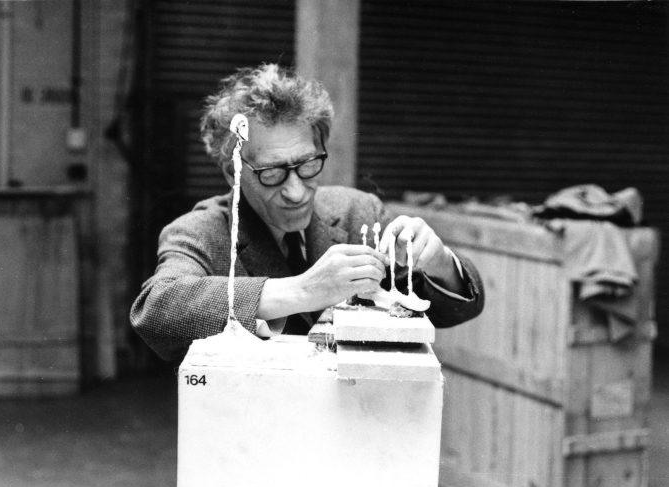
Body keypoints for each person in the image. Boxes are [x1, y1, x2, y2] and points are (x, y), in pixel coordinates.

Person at [130, 63, 484, 363]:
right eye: (272, 173)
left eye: (308, 165)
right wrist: (302, 290)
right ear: (231, 172)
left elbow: (457, 310)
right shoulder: (200, 232)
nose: (296, 191)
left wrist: (440, 263)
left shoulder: (358, 211)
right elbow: (156, 311)